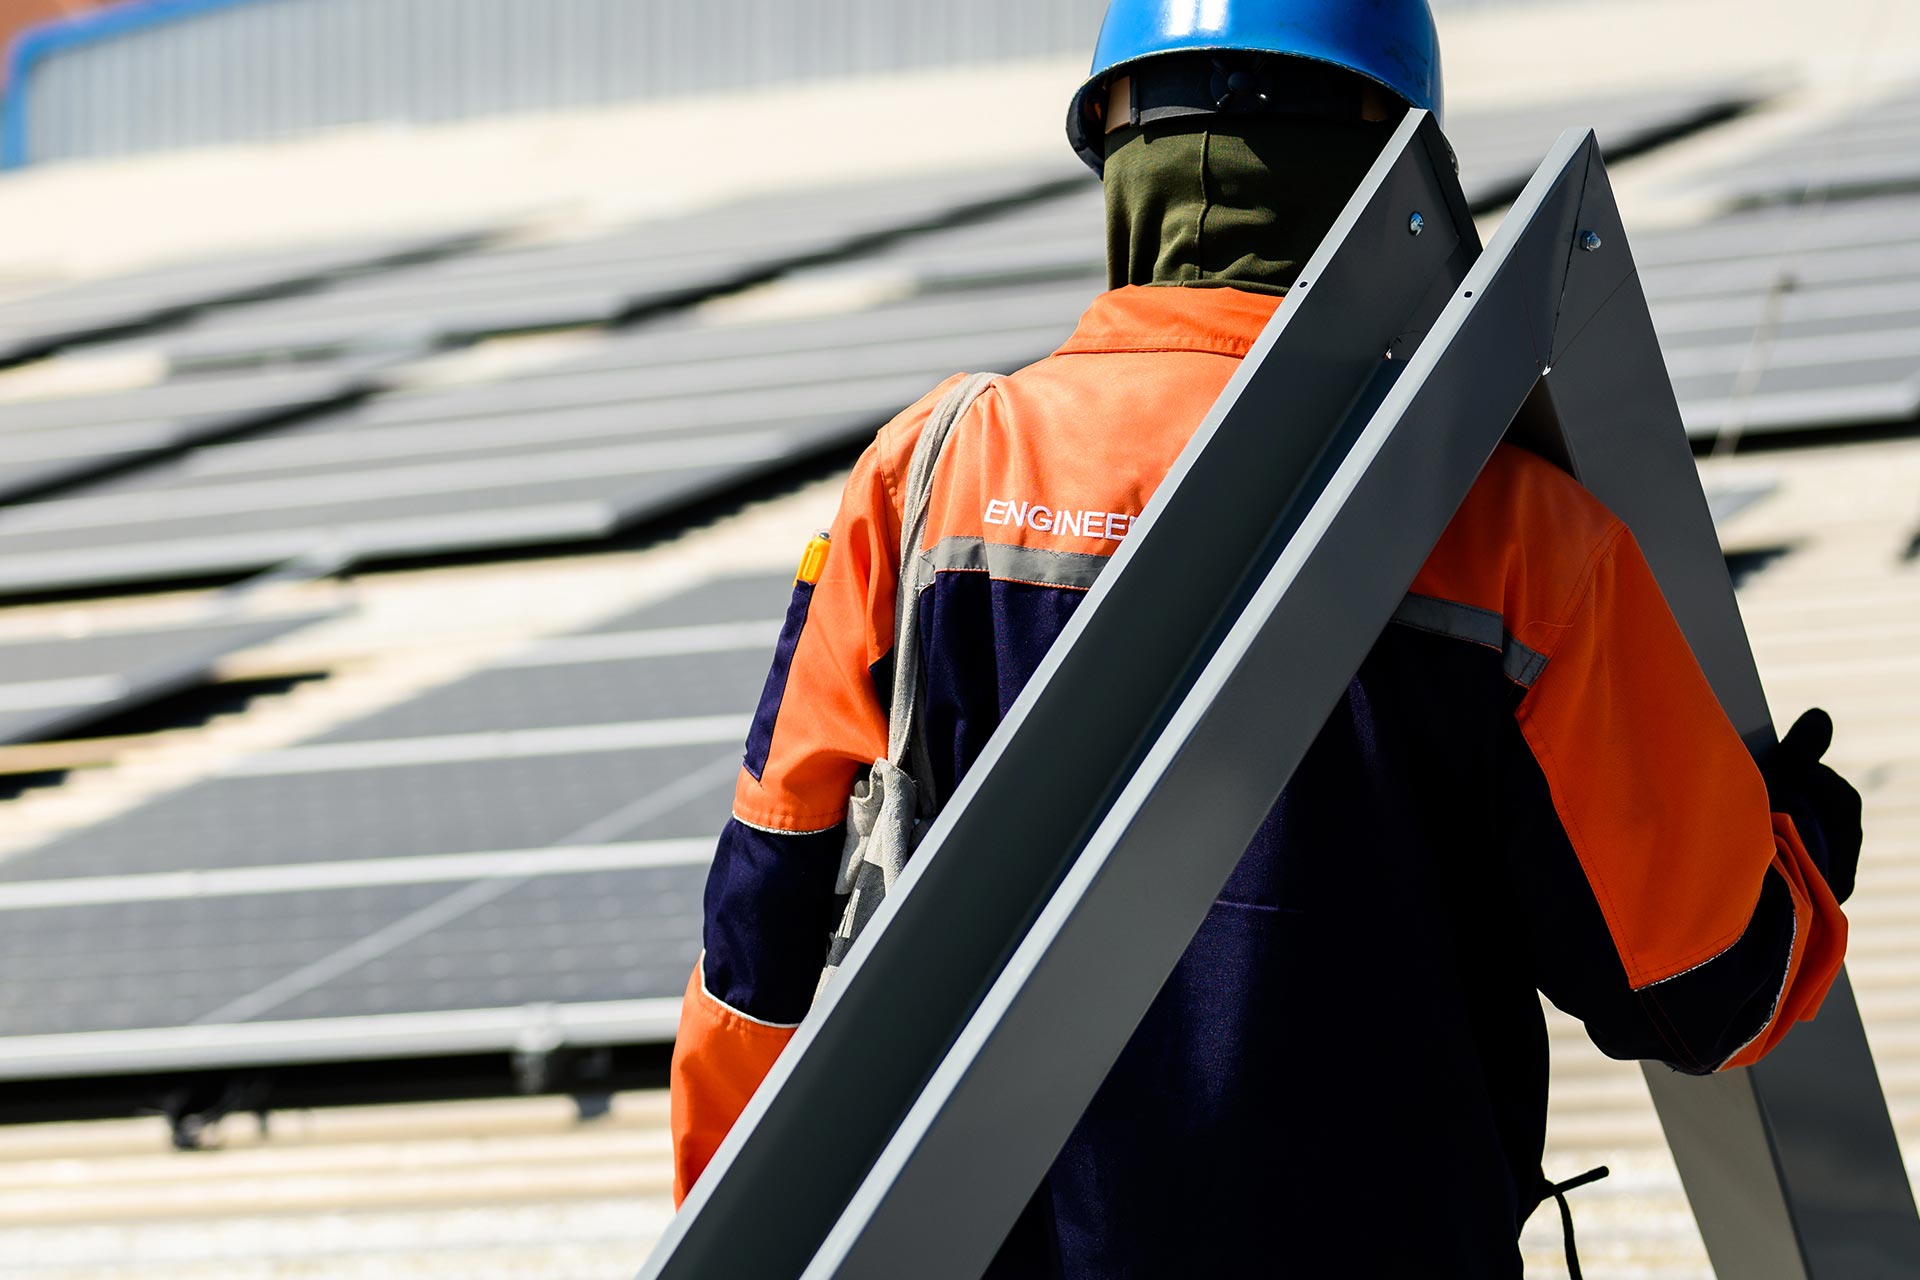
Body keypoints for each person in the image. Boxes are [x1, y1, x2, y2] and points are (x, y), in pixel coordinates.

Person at [668, 1, 1862, 1273]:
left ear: (1120, 160)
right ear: (1395, 169)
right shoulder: (1520, 539)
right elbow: (1700, 984)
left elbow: (762, 962)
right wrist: (1796, 849)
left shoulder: (929, 480)